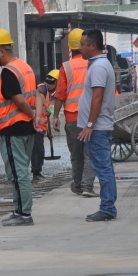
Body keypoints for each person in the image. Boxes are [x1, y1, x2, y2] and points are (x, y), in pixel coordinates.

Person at [0, 28, 38, 227]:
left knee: (18, 174)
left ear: (1, 50)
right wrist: (35, 118)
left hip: (12, 129)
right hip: (26, 129)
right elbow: (35, 96)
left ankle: (24, 214)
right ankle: (20, 212)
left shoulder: (8, 72)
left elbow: (19, 100)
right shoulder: (24, 67)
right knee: (21, 171)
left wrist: (32, 114)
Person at [76, 29, 118, 222]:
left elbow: (98, 97)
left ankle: (108, 208)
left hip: (98, 128)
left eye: (82, 44)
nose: (80, 48)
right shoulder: (98, 64)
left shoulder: (99, 66)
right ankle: (107, 206)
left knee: (103, 168)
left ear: (92, 46)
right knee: (104, 167)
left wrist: (90, 124)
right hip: (98, 127)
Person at [52, 29, 97, 198]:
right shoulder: (95, 63)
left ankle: (78, 185)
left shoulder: (66, 67)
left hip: (72, 117)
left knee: (76, 154)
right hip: (91, 116)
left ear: (70, 48)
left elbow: (60, 94)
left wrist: (55, 116)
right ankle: (87, 186)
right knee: (89, 152)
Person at [31, 69, 59, 181]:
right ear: (56, 82)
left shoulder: (49, 92)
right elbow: (40, 94)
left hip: (41, 127)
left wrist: (49, 131)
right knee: (38, 151)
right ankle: (36, 173)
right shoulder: (43, 87)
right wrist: (47, 107)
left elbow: (48, 112)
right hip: (36, 126)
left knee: (38, 150)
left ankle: (37, 172)